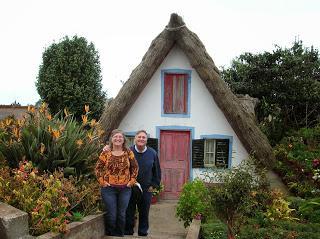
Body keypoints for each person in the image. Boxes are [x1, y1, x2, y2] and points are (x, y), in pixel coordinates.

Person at [95, 129, 139, 237]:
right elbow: (97, 168)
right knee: (112, 214)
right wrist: (102, 182)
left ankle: (119, 235)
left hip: (125, 188)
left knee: (122, 214)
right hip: (108, 189)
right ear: (111, 139)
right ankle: (110, 234)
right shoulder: (106, 152)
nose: (118, 139)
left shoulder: (129, 152)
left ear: (123, 139)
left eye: (120, 137)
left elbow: (135, 167)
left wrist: (131, 182)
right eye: (115, 137)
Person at [125, 130, 161, 237]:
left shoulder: (152, 153)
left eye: (143, 137)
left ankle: (142, 232)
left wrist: (154, 185)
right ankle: (128, 231)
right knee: (129, 210)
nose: (141, 139)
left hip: (146, 188)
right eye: (139, 137)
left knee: (144, 211)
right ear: (135, 139)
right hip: (130, 186)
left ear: (146, 140)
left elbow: (157, 171)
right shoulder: (128, 152)